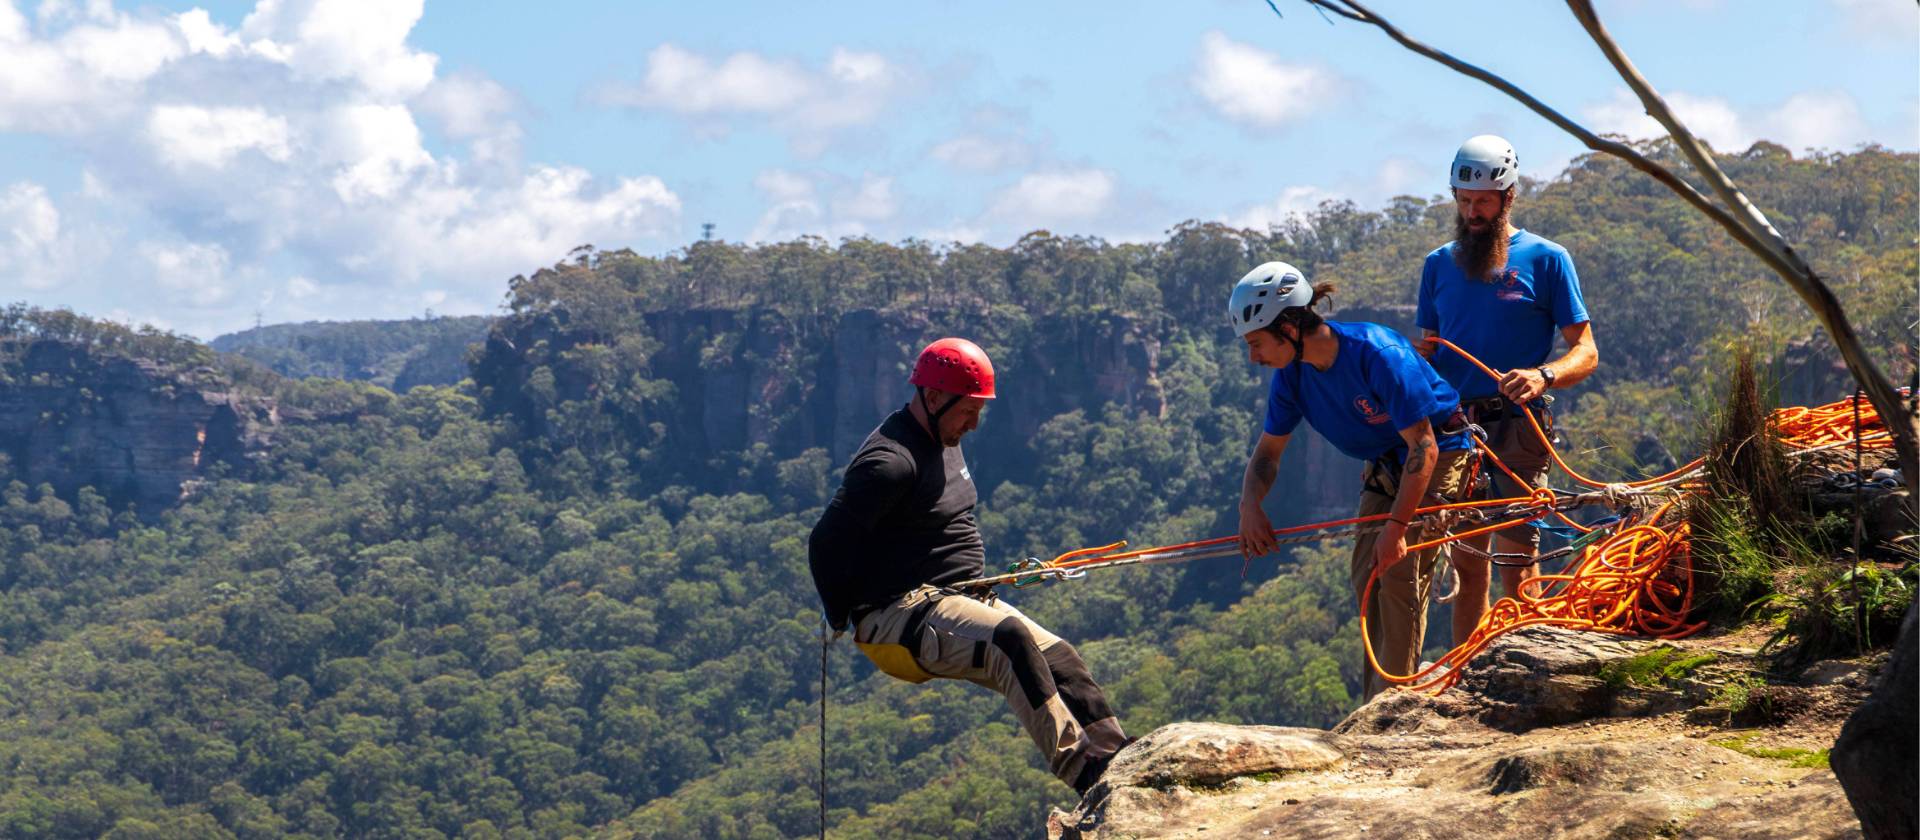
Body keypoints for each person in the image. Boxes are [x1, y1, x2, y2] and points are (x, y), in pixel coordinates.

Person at [808, 337, 1127, 796]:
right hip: (899, 614)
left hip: (959, 596)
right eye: (968, 411)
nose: (974, 424)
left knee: (1061, 657)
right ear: (933, 398)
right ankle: (1086, 773)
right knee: (1011, 642)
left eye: (980, 411)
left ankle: (1117, 757)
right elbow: (825, 542)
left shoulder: (943, 433)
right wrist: (841, 615)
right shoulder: (889, 464)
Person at [1231, 262, 1474, 701]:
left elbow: (1425, 447)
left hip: (1439, 451)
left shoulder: (1376, 354)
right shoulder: (1292, 377)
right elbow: (1267, 454)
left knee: (1398, 571)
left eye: (1256, 343)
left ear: (1288, 327)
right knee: (1366, 576)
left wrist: (1397, 529)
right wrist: (1250, 506)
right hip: (1386, 461)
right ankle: (1378, 701)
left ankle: (1396, 704)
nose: (1254, 357)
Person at [1414, 135, 1599, 645]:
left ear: (1509, 196)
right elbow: (1427, 348)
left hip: (1518, 426)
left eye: (1483, 202)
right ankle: (1466, 671)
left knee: (1517, 552)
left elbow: (1586, 350)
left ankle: (1528, 662)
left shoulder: (1547, 258)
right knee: (1471, 561)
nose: (1472, 212)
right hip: (1456, 429)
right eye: (1464, 200)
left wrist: (1543, 375)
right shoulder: (1438, 264)